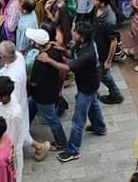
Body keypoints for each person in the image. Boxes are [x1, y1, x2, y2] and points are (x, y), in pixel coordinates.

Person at [41, 23, 107, 163]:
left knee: (78, 121)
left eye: (76, 32)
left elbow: (67, 67)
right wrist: (62, 50)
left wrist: (49, 60)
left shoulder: (88, 53)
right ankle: (100, 127)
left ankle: (73, 150)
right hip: (89, 84)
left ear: (82, 38)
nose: (73, 32)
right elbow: (73, 54)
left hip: (87, 87)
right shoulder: (82, 45)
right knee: (93, 103)